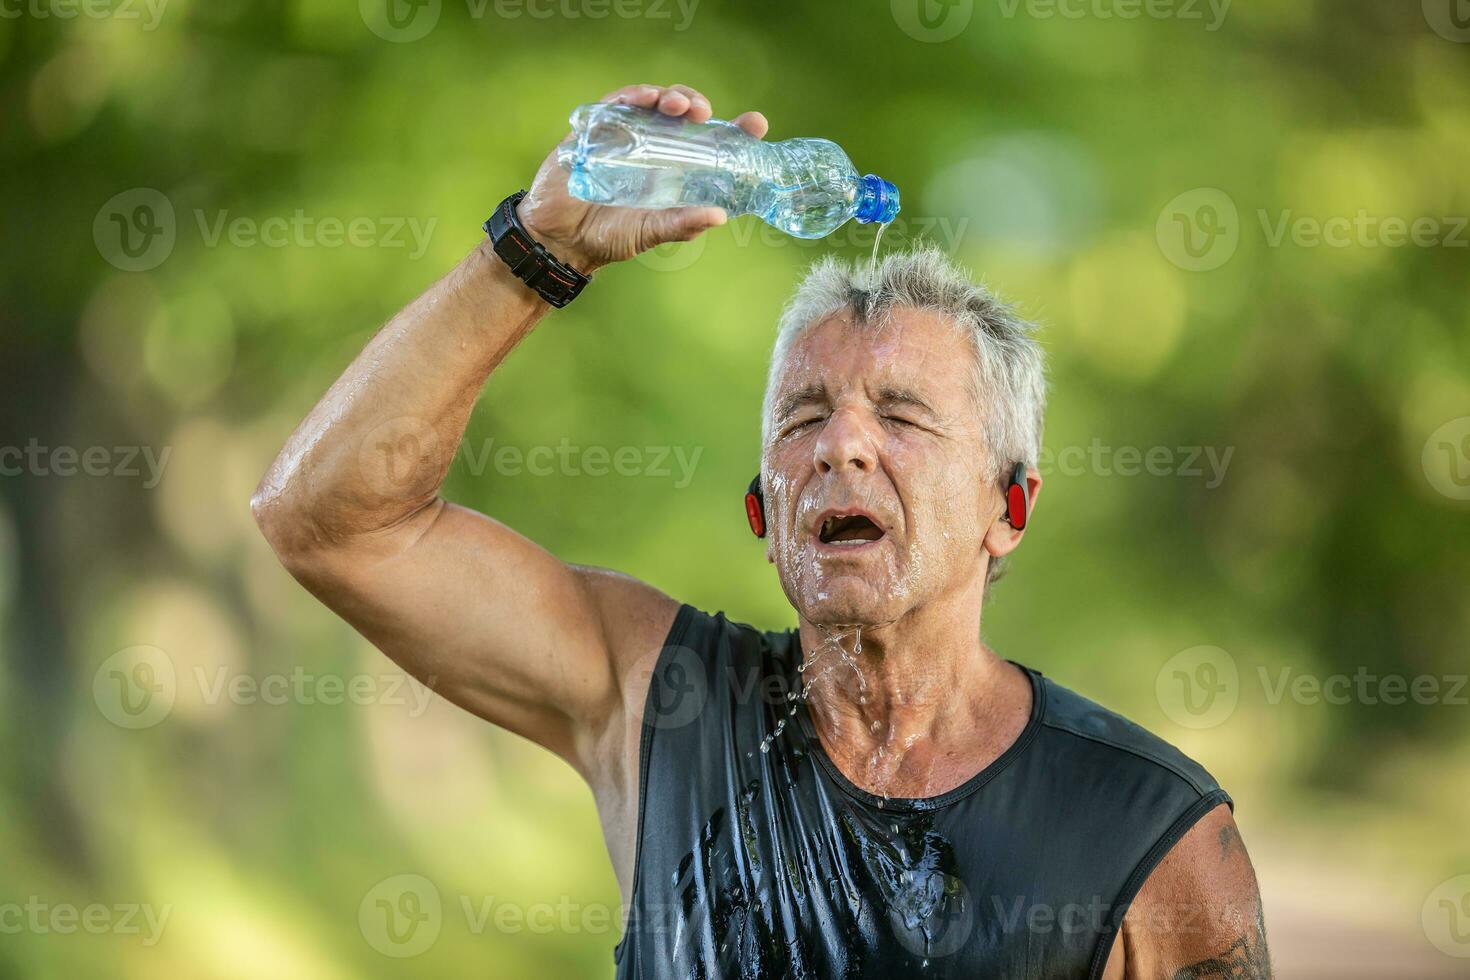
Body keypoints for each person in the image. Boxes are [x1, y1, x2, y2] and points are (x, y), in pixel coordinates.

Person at [252, 82, 1271, 979]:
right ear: (764, 512)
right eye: (802, 417)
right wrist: (536, 249)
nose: (842, 446)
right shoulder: (656, 698)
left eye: (904, 415)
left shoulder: (1151, 831)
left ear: (1009, 508)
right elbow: (327, 516)